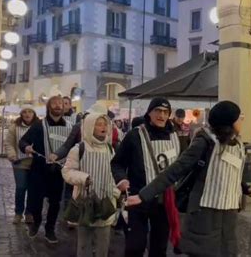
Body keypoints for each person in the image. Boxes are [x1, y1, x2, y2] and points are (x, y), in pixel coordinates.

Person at [126, 101, 251, 257]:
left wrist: (245, 187)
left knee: (228, 251)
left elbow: (232, 170)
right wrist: (143, 195)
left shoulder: (238, 143)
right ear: (228, 121)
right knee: (204, 252)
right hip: (205, 210)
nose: (242, 121)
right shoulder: (205, 142)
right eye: (240, 118)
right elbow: (176, 169)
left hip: (229, 211)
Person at [111, 97, 181, 257]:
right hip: (138, 197)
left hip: (164, 200)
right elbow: (117, 163)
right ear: (149, 113)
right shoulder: (134, 136)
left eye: (165, 112)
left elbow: (180, 166)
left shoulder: (176, 137)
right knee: (135, 246)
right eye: (157, 111)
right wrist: (121, 179)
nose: (161, 115)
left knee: (159, 247)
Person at [62, 112, 119, 257]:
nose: (103, 127)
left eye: (105, 124)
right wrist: (83, 178)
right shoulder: (78, 149)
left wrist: (117, 193)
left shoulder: (110, 149)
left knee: (103, 244)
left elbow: (112, 175)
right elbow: (67, 172)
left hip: (105, 204)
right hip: (84, 205)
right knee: (84, 244)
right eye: (99, 124)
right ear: (89, 127)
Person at [19, 96, 73, 243]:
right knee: (35, 202)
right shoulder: (39, 125)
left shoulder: (70, 127)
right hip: (38, 170)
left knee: (55, 203)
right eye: (54, 103)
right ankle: (36, 222)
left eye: (60, 104)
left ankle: (50, 229)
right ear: (49, 107)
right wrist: (26, 147)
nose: (58, 106)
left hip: (58, 171)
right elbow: (22, 141)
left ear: (64, 107)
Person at [4, 107, 39, 224]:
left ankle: (29, 213)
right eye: (24, 112)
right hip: (19, 162)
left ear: (34, 113)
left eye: (30, 111)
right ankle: (18, 213)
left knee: (32, 189)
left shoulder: (39, 126)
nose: (27, 114)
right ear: (21, 114)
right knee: (21, 187)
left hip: (35, 163)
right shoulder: (15, 127)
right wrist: (12, 155)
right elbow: (9, 143)